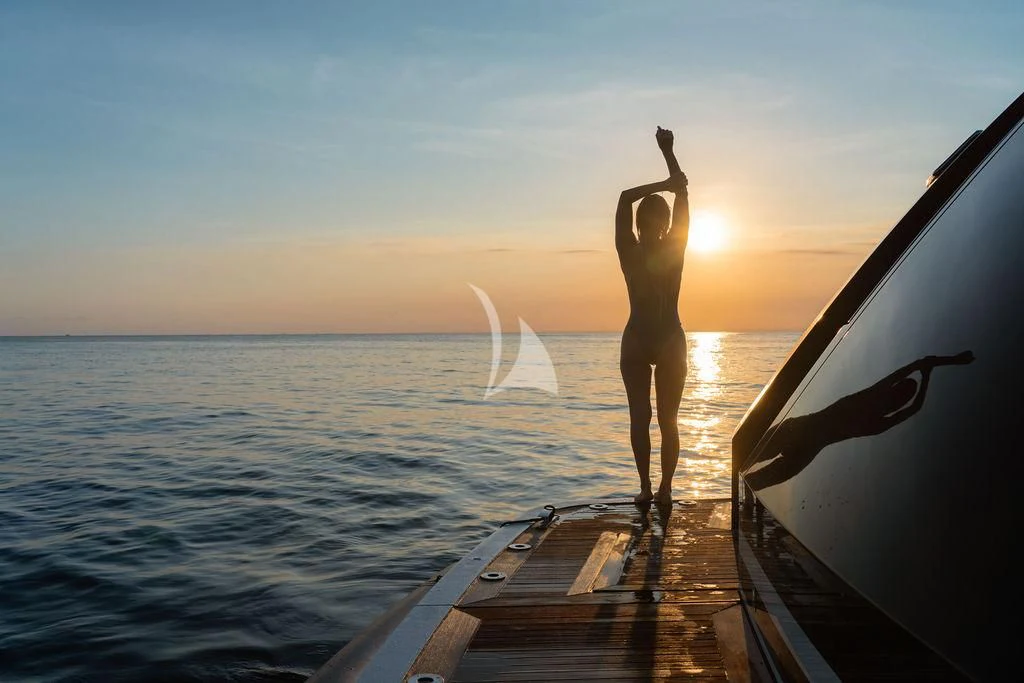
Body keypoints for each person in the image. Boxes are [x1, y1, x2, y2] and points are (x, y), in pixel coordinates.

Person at [616, 127, 690, 504]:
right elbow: (625, 198)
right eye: (650, 219)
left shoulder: (675, 247)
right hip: (637, 339)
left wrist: (668, 152)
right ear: (642, 223)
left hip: (669, 338)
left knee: (667, 420)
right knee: (640, 417)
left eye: (658, 220)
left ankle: (664, 488)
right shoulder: (627, 247)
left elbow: (681, 192)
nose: (655, 226)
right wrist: (663, 176)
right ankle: (646, 487)